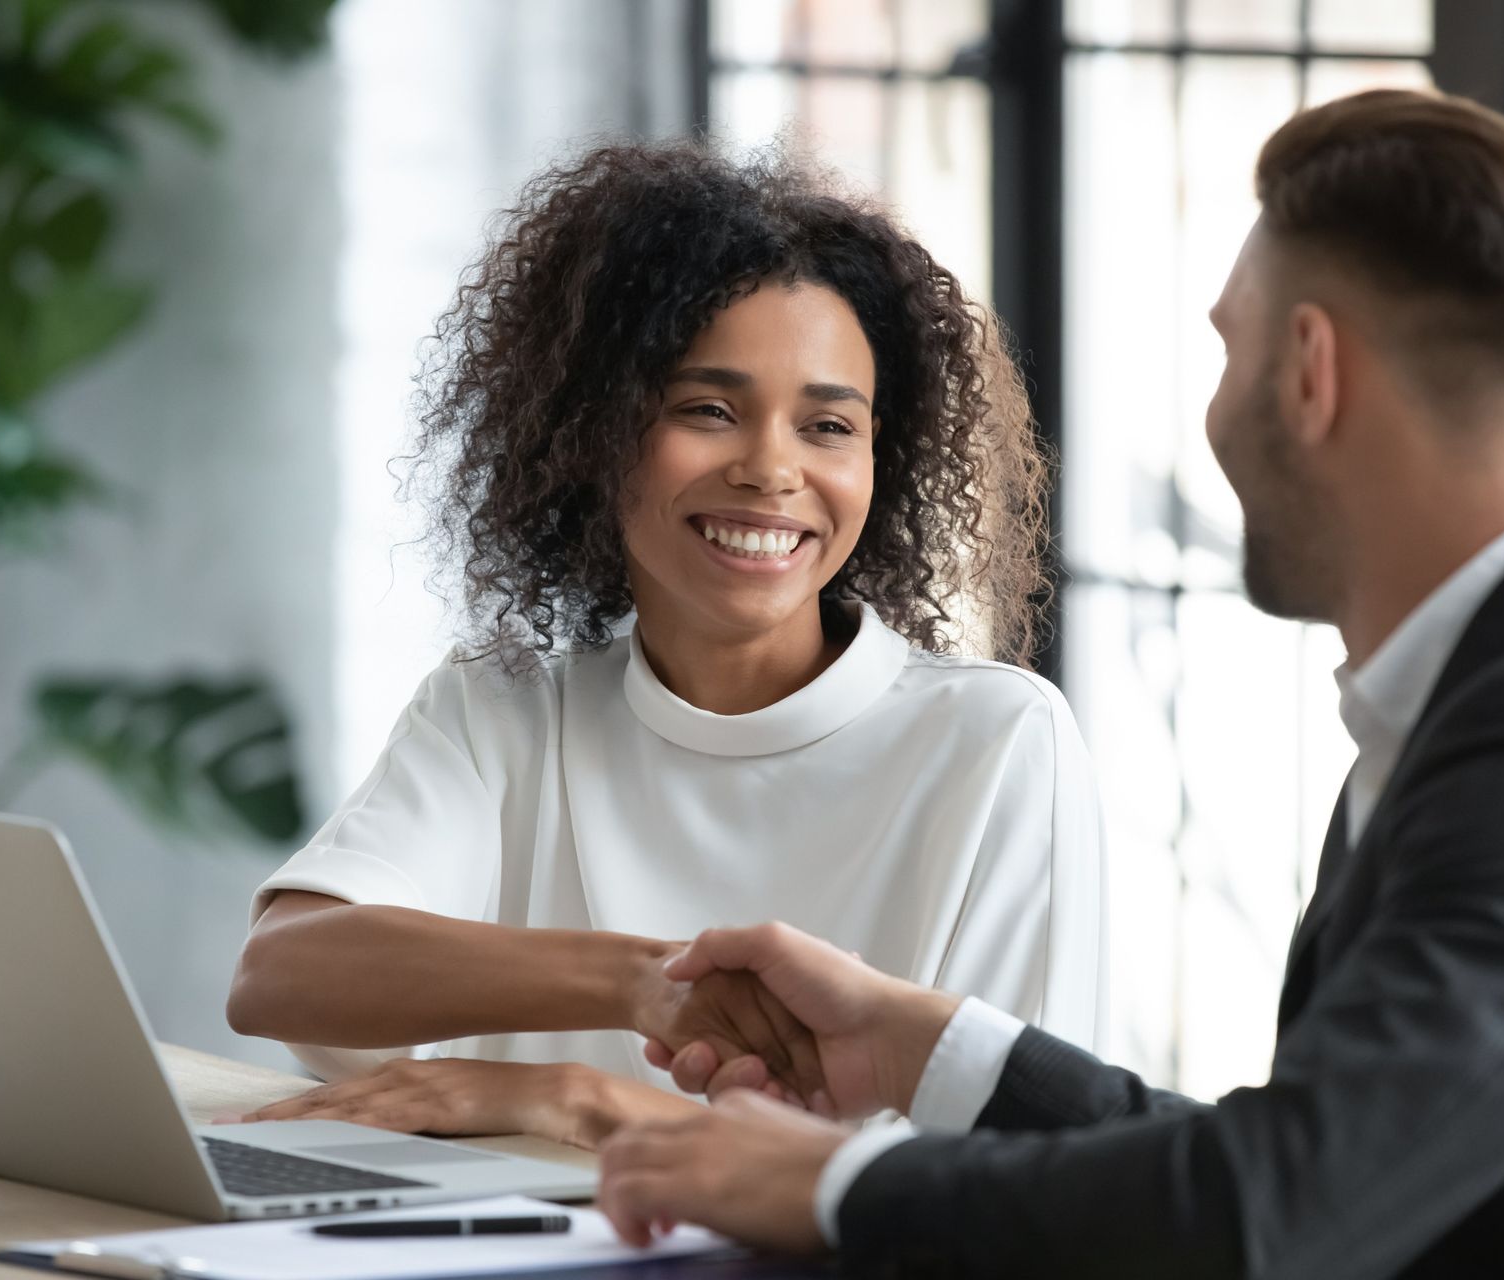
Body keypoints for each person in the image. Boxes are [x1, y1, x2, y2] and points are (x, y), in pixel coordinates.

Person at [600, 90, 1504, 1277]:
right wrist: (934, 1052)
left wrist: (834, 1181)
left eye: (1227, 348)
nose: (1213, 406)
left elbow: (1271, 1209)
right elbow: (1328, 1157)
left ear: (1310, 370)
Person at [222, 141, 1104, 1152]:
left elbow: (1016, 1178)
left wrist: (582, 1100)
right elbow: (280, 973)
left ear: (880, 458)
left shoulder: (994, 740)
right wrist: (641, 981)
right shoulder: (504, 710)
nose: (773, 469)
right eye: (709, 410)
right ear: (593, 434)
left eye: (828, 425)